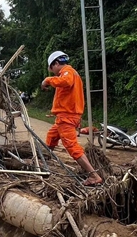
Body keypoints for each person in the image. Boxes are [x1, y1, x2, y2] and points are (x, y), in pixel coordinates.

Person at [41, 51, 104, 187]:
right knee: (51, 137)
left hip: (67, 117)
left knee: (72, 147)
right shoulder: (70, 73)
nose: (53, 73)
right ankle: (43, 160)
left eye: (52, 69)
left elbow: (66, 81)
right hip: (65, 117)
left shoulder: (67, 72)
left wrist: (48, 80)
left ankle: (94, 176)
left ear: (56, 63)